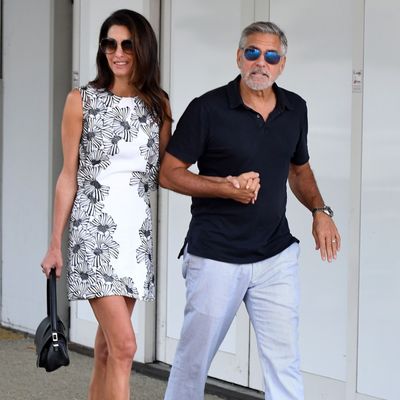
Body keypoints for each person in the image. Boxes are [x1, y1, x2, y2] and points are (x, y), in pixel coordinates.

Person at [159, 21, 340, 400]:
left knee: (284, 361)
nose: (262, 62)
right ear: (239, 57)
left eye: (271, 56)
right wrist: (224, 187)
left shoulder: (295, 109)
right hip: (215, 255)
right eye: (253, 53)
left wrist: (320, 211)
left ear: (282, 64)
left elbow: (299, 169)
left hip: (275, 255)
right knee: (194, 361)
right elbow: (169, 174)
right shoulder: (207, 109)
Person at [41, 9, 171, 400]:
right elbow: (68, 175)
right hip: (94, 235)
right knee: (127, 346)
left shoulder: (158, 106)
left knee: (106, 348)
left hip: (135, 235)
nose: (118, 52)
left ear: (142, 48)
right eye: (110, 43)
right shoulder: (81, 101)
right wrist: (54, 243)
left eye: (127, 44)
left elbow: (164, 172)